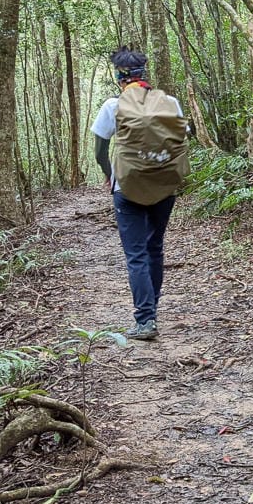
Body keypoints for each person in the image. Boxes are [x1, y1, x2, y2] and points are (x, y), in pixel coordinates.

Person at [91, 47, 185, 341]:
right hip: (164, 185)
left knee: (136, 254)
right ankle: (151, 309)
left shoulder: (112, 106)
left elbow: (99, 149)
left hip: (127, 187)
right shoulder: (169, 102)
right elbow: (183, 136)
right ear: (144, 74)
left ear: (120, 77)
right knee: (155, 247)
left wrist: (109, 174)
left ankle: (146, 321)